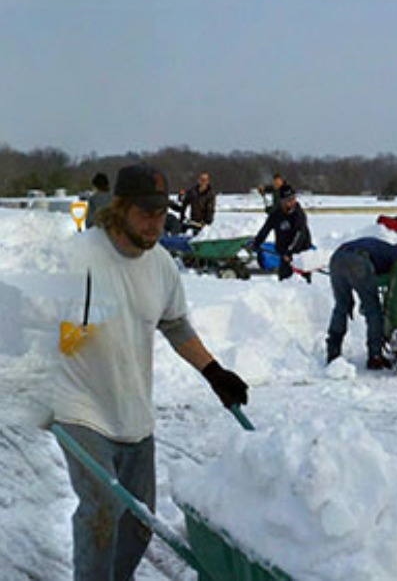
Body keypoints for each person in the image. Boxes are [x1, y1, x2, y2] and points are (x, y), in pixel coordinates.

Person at [53, 162, 249, 580]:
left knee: (140, 523)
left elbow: (174, 324)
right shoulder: (77, 257)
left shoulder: (160, 264)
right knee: (102, 509)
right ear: (119, 208)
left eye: (160, 213)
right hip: (79, 407)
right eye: (145, 212)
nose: (155, 222)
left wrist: (214, 372)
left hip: (133, 413)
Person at [325, 237, 397, 369]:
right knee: (373, 310)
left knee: (341, 306)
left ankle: (333, 352)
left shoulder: (382, 248)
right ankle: (375, 357)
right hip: (359, 261)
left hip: (337, 257)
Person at [250, 184, 312, 281]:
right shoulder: (276, 215)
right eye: (289, 200)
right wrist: (257, 242)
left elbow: (299, 234)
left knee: (302, 283)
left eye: (293, 199)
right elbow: (265, 229)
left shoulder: (299, 214)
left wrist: (290, 252)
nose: (292, 202)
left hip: (301, 254)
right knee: (285, 281)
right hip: (284, 254)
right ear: (282, 201)